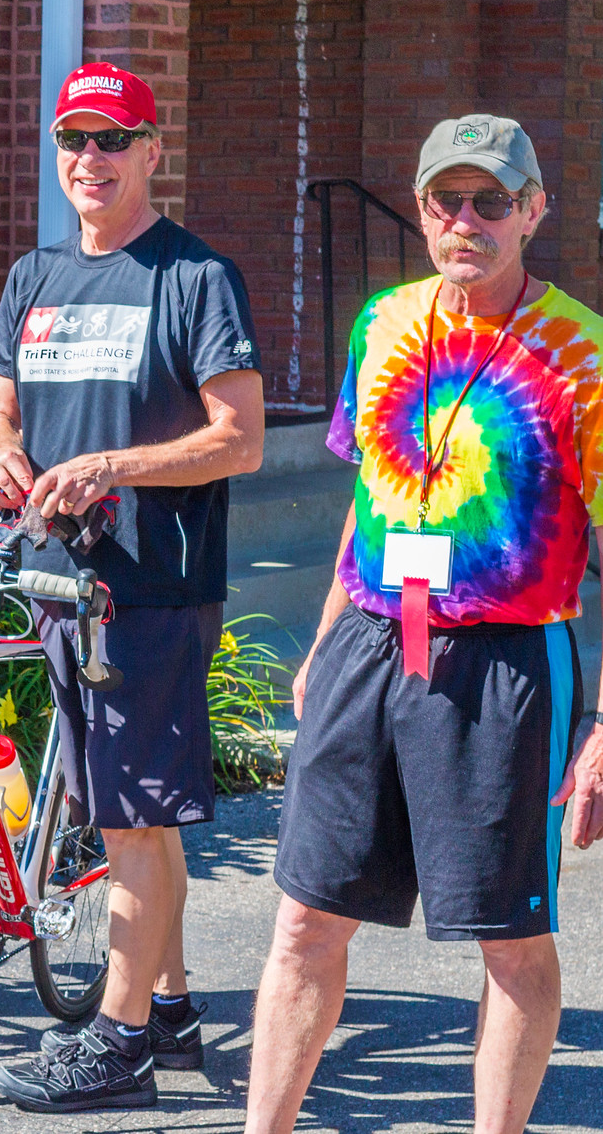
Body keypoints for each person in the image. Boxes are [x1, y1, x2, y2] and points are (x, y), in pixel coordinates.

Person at [244, 114, 603, 1134]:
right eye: (448, 200)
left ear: (534, 210)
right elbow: (368, 503)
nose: (467, 220)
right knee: (307, 917)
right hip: (367, 636)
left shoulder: (582, 354)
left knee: (507, 942)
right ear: (421, 208)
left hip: (504, 663)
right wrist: (321, 646)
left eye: (492, 201)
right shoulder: (384, 321)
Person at [0, 63, 265, 1112]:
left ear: (152, 150)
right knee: (125, 819)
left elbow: (233, 442)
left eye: (112, 140)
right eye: (74, 139)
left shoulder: (194, 277)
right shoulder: (35, 275)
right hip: (57, 577)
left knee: (132, 821)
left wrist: (111, 464)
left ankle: (120, 1037)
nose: (89, 160)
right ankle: (176, 1008)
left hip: (150, 586)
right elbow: (1, 413)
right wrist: (2, 456)